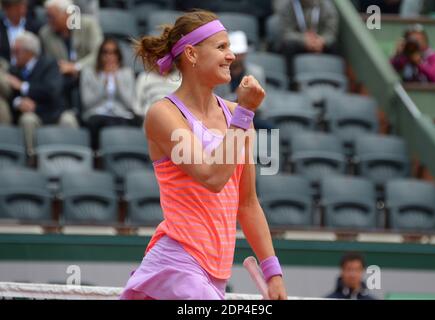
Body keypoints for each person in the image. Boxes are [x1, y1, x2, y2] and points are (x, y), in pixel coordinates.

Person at [120, 10, 287, 300]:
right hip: (176, 265)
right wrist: (246, 113)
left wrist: (273, 273)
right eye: (221, 47)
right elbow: (212, 177)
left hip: (214, 275)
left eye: (230, 48)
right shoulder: (163, 114)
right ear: (192, 55)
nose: (231, 56)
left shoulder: (236, 116)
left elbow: (247, 204)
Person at [2, 31, 78, 153]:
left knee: (68, 120)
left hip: (53, 111)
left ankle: (72, 157)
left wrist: (23, 87)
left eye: (17, 51)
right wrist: (19, 102)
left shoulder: (50, 65)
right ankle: (31, 159)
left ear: (29, 52)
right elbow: (10, 96)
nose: (13, 55)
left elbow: (51, 91)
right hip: (33, 115)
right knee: (27, 120)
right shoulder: (13, 69)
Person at [39, 0, 103, 114]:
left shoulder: (88, 25)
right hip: (62, 77)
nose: (49, 21)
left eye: (52, 16)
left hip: (89, 74)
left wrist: (76, 67)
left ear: (67, 14)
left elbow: (99, 53)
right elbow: (48, 61)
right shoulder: (45, 33)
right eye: (47, 16)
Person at [80, 38, 139, 149]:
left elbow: (130, 104)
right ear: (100, 55)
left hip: (120, 115)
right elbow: (86, 103)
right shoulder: (89, 72)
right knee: (101, 123)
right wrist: (103, 84)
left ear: (118, 55)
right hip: (97, 114)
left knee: (124, 124)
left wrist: (117, 81)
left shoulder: (126, 73)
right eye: (105, 52)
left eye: (113, 52)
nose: (109, 56)